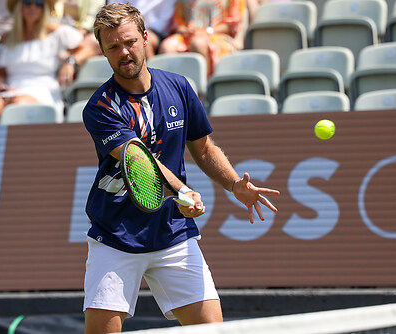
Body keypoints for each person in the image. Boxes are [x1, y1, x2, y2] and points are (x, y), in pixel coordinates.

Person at [82, 3, 280, 333]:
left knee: (211, 330)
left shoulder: (179, 87)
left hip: (173, 234)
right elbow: (141, 160)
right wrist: (184, 191)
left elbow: (203, 150)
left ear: (146, 38)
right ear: (103, 51)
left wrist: (234, 184)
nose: (124, 52)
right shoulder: (100, 107)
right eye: (113, 46)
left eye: (129, 41)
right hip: (116, 236)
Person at [0, 0, 85, 119]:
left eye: (38, 3)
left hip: (42, 89)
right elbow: (0, 73)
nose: (33, 7)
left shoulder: (55, 30)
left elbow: (91, 46)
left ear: (44, 8)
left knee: (18, 107)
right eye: (28, 2)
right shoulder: (6, 37)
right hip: (9, 89)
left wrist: (70, 62)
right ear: (19, 7)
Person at [158, 0, 248, 75]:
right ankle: (170, 91)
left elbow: (232, 26)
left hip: (219, 36)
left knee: (198, 44)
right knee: (167, 47)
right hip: (189, 36)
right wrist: (186, 30)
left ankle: (203, 92)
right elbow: (178, 24)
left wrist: (207, 31)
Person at [106, 0, 177, 59]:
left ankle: (150, 74)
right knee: (95, 41)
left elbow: (164, 23)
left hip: (156, 32)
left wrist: (136, 29)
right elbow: (112, 11)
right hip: (120, 29)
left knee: (143, 41)